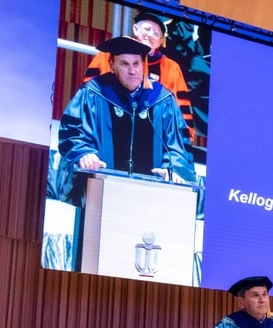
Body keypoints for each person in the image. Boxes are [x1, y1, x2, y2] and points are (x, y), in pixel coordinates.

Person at [50, 35, 195, 207]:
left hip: (151, 198)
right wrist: (83, 153)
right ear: (112, 65)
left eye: (136, 64)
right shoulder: (94, 93)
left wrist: (173, 169)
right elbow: (72, 131)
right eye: (124, 64)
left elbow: (177, 145)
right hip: (100, 195)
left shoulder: (162, 99)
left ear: (143, 65)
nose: (132, 71)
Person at [84, 11, 195, 141]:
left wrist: (184, 142)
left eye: (156, 33)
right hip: (106, 130)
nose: (150, 35)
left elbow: (181, 109)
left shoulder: (170, 68)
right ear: (135, 29)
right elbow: (89, 94)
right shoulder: (109, 55)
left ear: (160, 41)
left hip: (150, 140)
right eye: (147, 29)